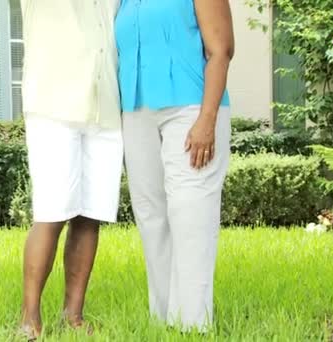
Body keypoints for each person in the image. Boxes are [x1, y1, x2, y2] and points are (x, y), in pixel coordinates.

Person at [115, 0, 235, 332]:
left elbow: (222, 50)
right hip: (137, 108)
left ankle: (194, 324)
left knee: (191, 212)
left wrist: (207, 119)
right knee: (151, 213)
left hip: (191, 107)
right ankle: (165, 320)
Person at [19, 0, 123, 339]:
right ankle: (29, 317)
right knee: (51, 212)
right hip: (53, 105)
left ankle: (72, 315)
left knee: (91, 214)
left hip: (105, 105)